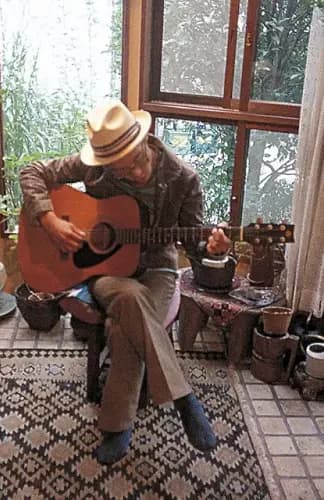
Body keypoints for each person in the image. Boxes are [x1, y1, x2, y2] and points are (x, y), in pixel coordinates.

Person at [19, 99, 231, 465]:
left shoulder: (184, 178)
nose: (134, 173)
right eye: (121, 169)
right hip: (107, 272)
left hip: (156, 268)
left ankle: (118, 426)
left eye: (136, 161)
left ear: (144, 140)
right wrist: (49, 220)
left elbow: (193, 243)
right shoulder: (94, 166)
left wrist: (213, 248)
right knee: (130, 297)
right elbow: (31, 172)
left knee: (123, 325)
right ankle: (183, 398)